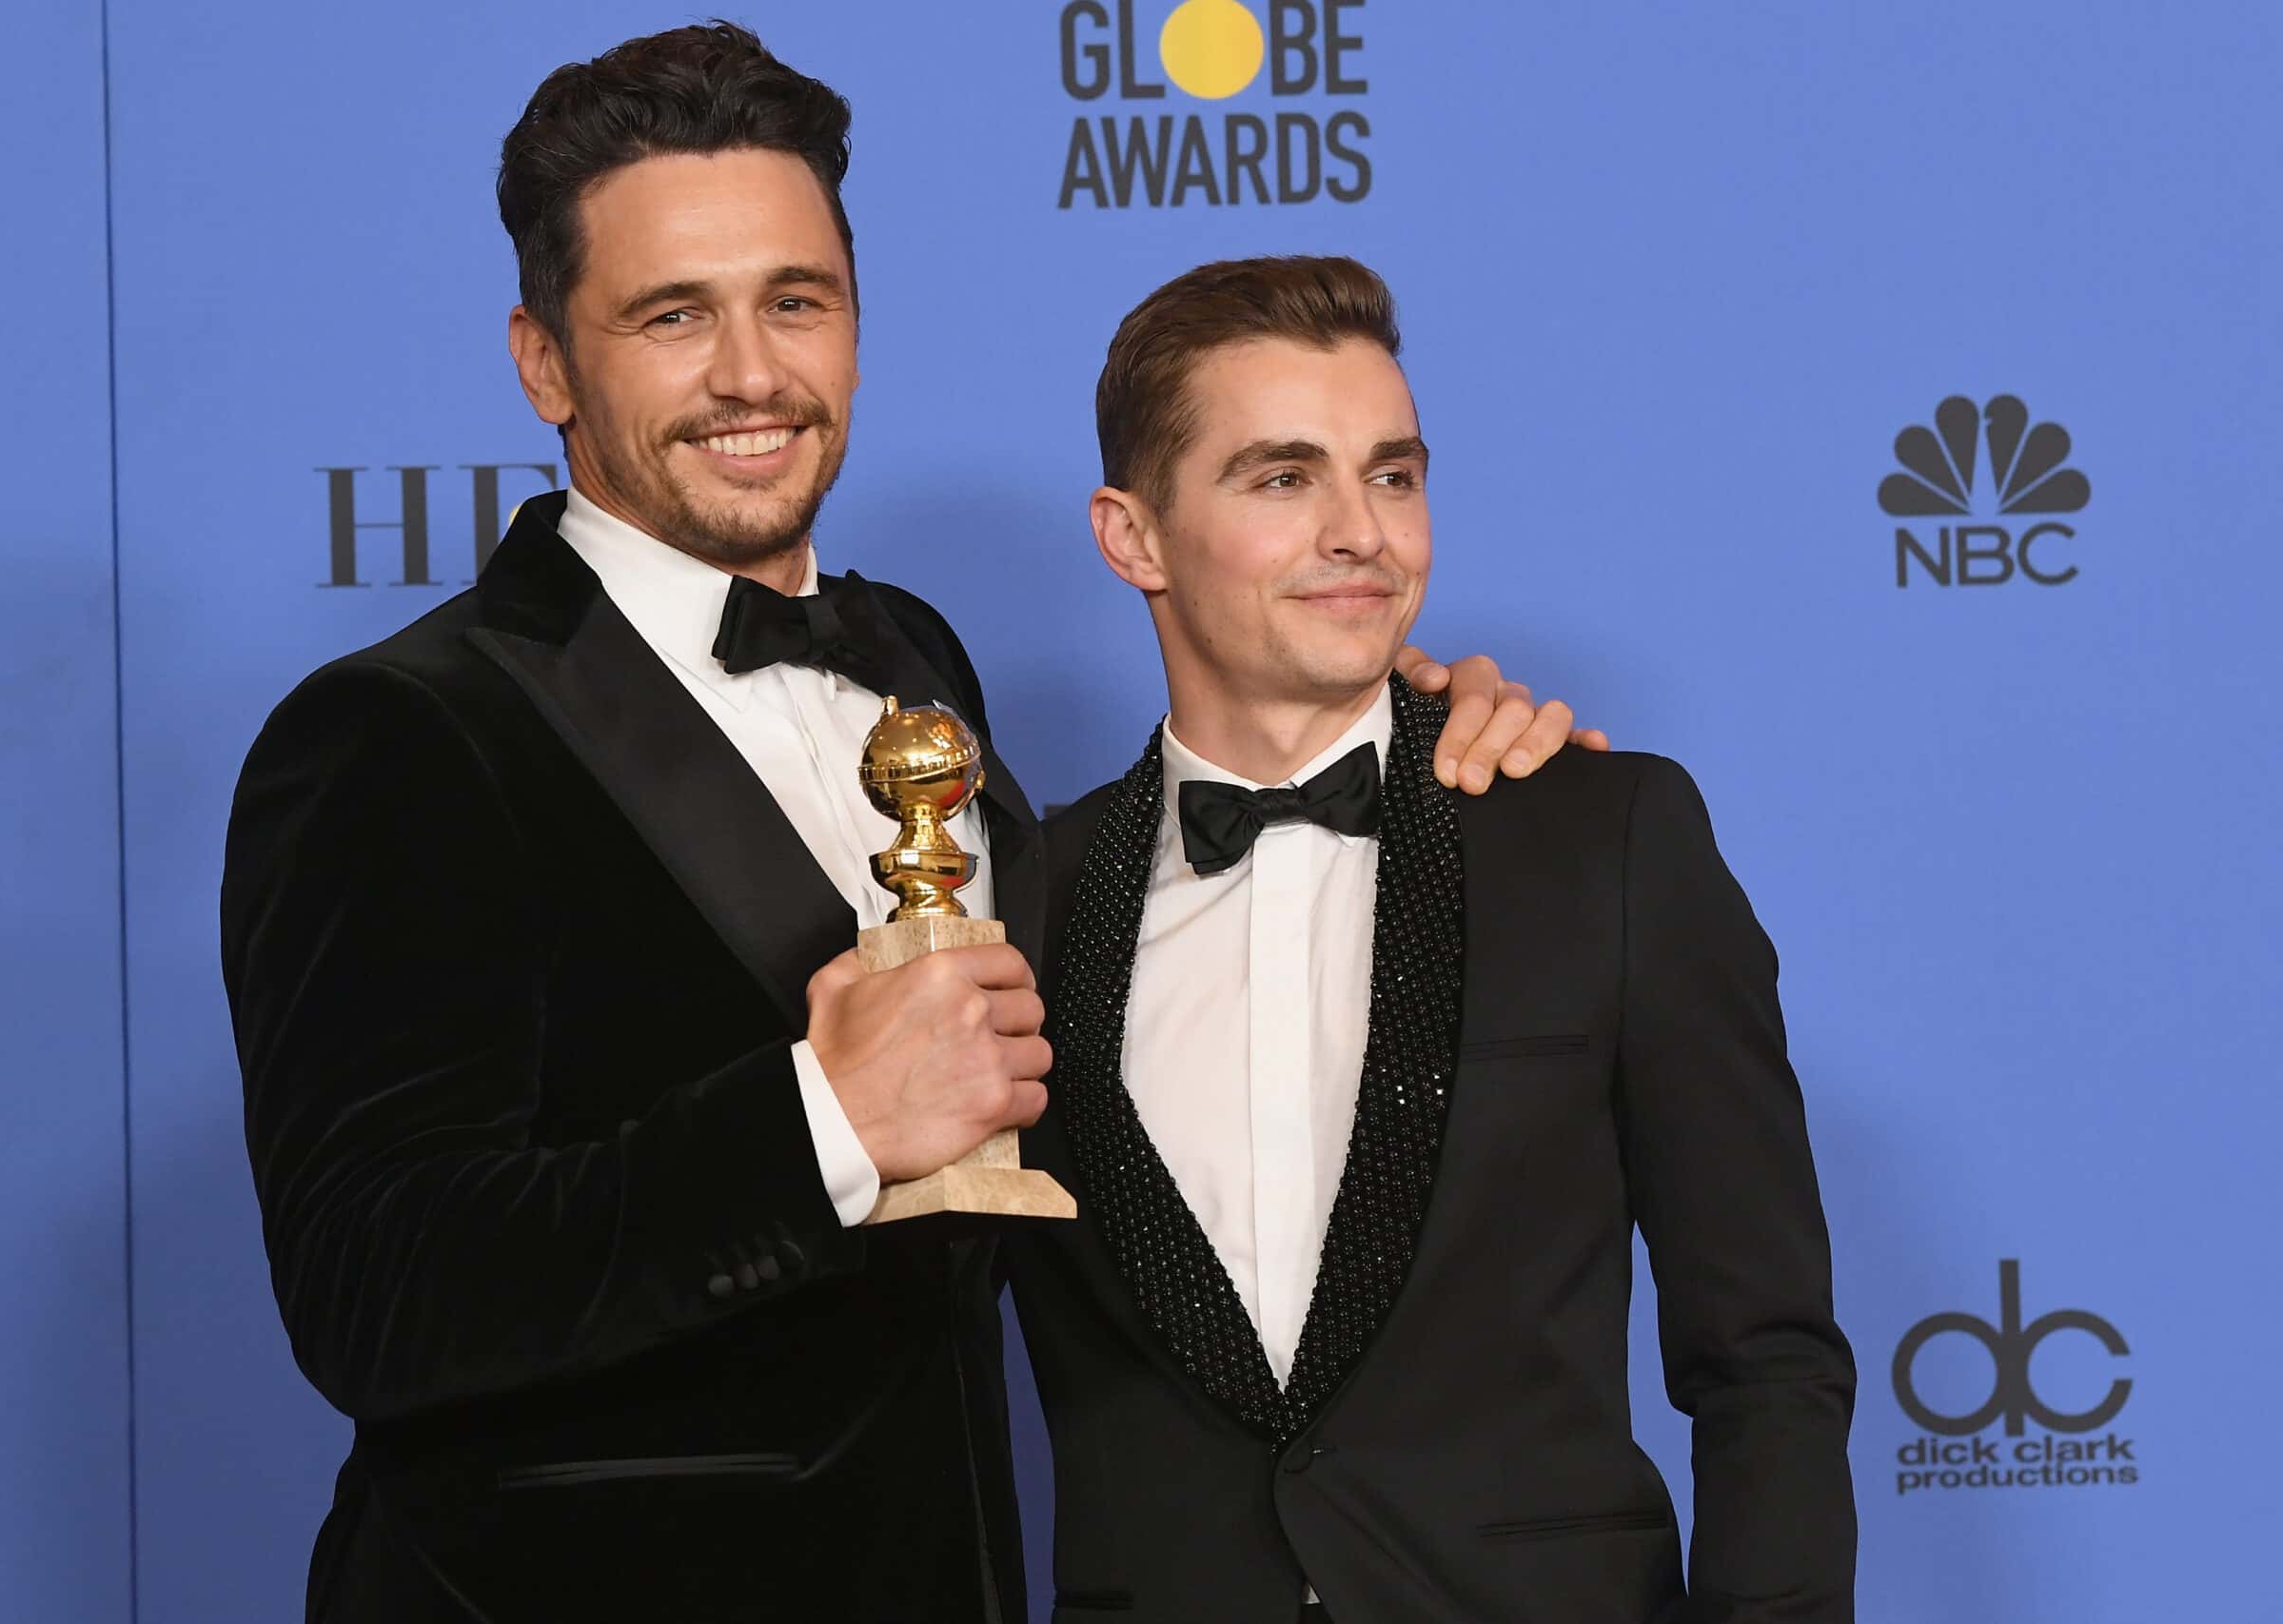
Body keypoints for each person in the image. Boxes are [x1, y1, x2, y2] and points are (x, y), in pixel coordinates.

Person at [218, 27, 1595, 1624]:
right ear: (545, 363)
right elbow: (374, 1291)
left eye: (796, 302)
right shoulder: (399, 733)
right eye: (674, 315)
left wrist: (1393, 707)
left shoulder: (909, 656)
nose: (752, 374)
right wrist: (824, 1121)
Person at [1010, 255, 1856, 1623]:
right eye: (1283, 479)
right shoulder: (1022, 900)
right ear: (1134, 538)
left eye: (1392, 476)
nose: (1362, 532)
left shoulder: (1604, 841)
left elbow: (1767, 1358)